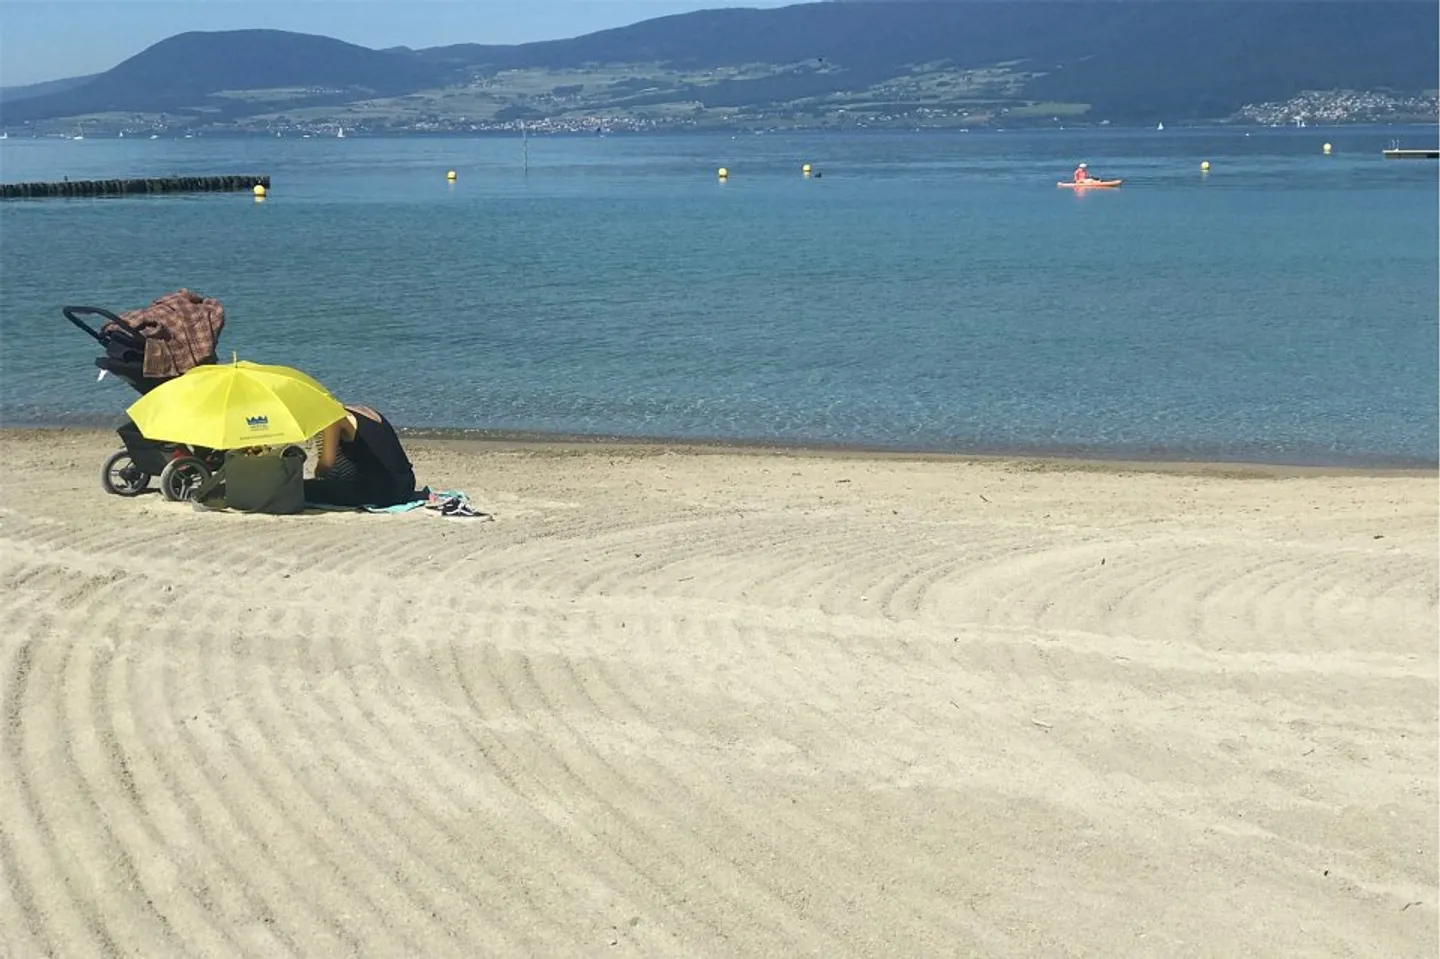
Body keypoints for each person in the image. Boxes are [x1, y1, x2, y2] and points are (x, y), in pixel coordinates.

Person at [304, 404, 417, 508]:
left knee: (302, 489)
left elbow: (327, 464)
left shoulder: (332, 418)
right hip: (407, 483)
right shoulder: (362, 410)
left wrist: (318, 476)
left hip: (384, 491)